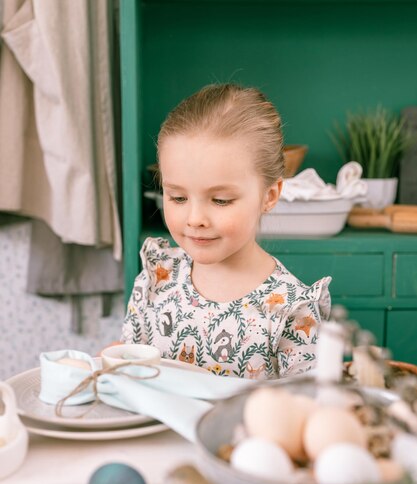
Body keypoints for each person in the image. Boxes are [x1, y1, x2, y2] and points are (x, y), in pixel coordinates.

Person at [121, 83, 331, 380]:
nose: (195, 219)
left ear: (269, 196)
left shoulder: (291, 311)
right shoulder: (157, 277)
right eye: (178, 197)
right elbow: (126, 366)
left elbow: (303, 414)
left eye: (220, 200)